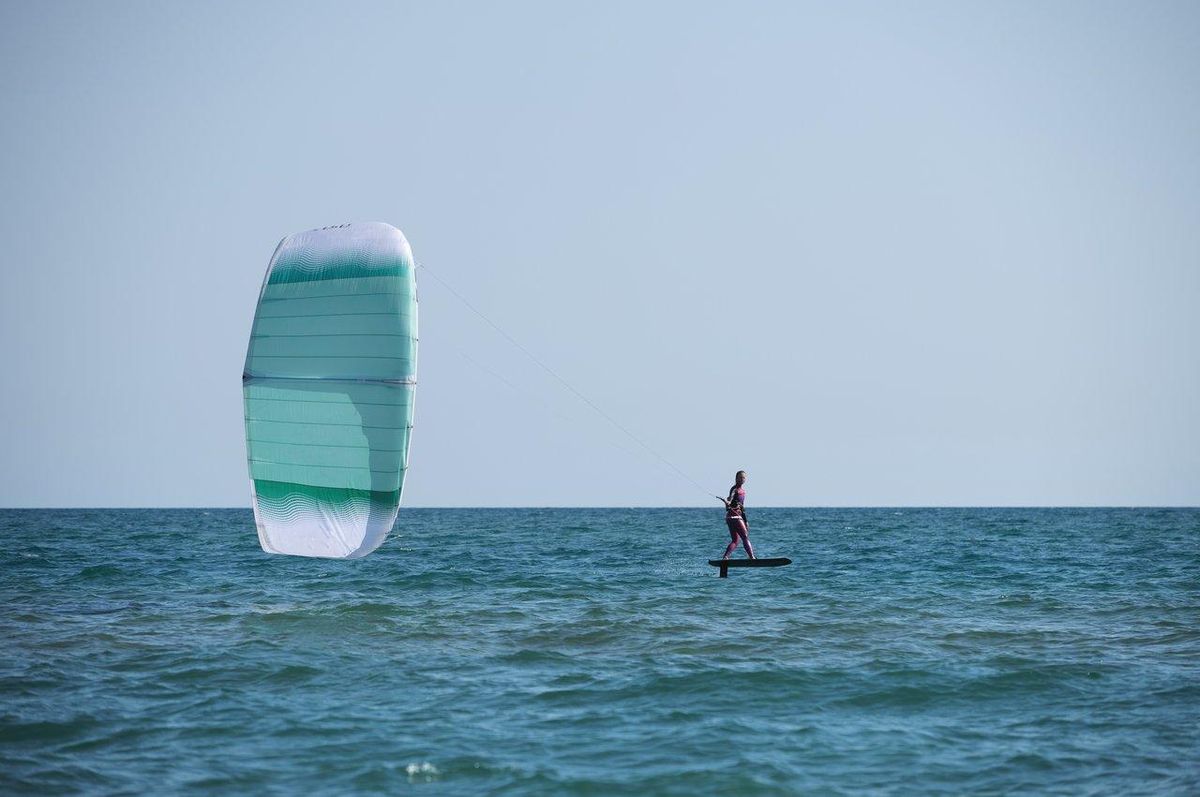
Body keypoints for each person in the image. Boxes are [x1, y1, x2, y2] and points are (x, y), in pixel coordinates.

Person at [717, 470, 755, 560]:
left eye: (744, 478)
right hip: (735, 517)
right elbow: (730, 499)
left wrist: (746, 521)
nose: (742, 479)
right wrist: (727, 501)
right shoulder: (735, 489)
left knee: (735, 540)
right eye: (740, 477)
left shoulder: (743, 491)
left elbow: (742, 507)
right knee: (745, 536)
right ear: (736, 478)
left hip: (730, 518)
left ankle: (725, 557)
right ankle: (751, 557)